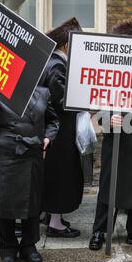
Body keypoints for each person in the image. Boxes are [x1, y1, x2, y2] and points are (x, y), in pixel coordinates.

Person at [0, 78, 59, 262]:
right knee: (2, 201)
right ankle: (7, 248)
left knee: (32, 201)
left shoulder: (44, 92)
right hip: (4, 152)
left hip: (32, 153)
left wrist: (48, 136)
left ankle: (28, 246)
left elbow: (53, 120)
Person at [89, 20, 132, 250]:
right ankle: (99, 231)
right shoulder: (111, 71)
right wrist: (109, 119)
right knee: (108, 187)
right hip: (115, 140)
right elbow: (97, 110)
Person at [39, 17, 84, 238]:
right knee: (60, 175)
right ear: (66, 45)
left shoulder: (52, 63)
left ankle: (51, 216)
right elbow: (61, 100)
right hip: (60, 131)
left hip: (54, 130)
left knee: (54, 175)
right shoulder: (57, 65)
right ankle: (55, 224)